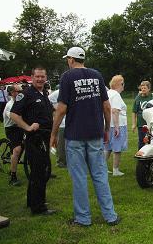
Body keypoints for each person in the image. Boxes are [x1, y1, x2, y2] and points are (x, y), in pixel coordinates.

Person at [50, 46, 120, 226]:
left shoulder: (67, 77)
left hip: (75, 135)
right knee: (100, 175)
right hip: (95, 133)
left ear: (71, 60)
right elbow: (106, 106)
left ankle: (83, 218)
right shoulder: (97, 75)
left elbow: (62, 109)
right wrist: (105, 128)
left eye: (68, 59)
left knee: (79, 177)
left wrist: (54, 132)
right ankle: (110, 216)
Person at [10, 66, 55, 215]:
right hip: (35, 138)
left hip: (45, 136)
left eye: (43, 76)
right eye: (37, 77)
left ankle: (32, 201)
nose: (40, 79)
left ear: (46, 77)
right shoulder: (26, 94)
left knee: (39, 171)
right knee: (39, 172)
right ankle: (39, 207)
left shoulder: (43, 93)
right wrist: (27, 127)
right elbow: (14, 114)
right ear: (32, 77)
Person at [104, 75, 128, 176]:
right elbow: (115, 111)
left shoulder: (108, 93)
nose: (123, 86)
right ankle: (116, 170)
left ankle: (102, 168)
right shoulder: (116, 95)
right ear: (120, 84)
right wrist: (117, 127)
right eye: (123, 84)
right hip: (117, 125)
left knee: (107, 147)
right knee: (117, 148)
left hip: (107, 124)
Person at [3, 84, 23, 186]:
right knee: (17, 149)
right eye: (18, 92)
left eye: (21, 91)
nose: (21, 93)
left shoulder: (21, 102)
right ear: (12, 93)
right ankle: (13, 176)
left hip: (20, 126)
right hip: (11, 128)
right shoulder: (10, 105)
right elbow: (15, 119)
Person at [132, 81, 153, 150]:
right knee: (141, 141)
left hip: (151, 123)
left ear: (149, 89)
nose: (143, 89)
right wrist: (134, 124)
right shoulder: (138, 98)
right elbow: (134, 112)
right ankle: (141, 157)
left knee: (152, 140)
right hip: (141, 124)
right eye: (142, 88)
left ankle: (152, 155)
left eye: (145, 88)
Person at [48, 85, 66, 168]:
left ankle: (67, 161)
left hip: (68, 122)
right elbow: (48, 100)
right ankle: (61, 162)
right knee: (61, 144)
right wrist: (55, 108)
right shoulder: (57, 93)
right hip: (61, 123)